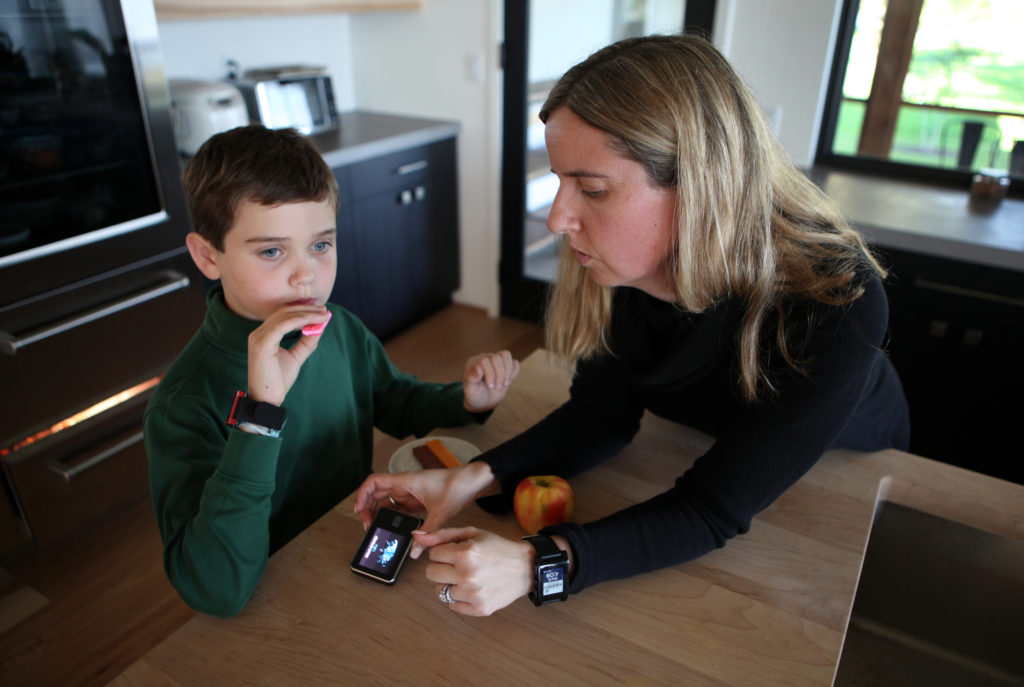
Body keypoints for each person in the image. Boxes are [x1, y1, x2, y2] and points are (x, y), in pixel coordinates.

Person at [353, 34, 910, 617]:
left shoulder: (836, 299)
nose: (557, 217)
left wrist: (537, 565)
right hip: (705, 432)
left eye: (591, 189)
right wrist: (468, 479)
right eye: (562, 181)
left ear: (699, 185)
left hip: (851, 457)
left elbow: (711, 508)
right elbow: (601, 415)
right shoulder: (623, 269)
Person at [144, 125, 520, 617]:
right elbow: (214, 589)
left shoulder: (338, 328)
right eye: (272, 251)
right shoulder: (182, 406)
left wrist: (465, 400)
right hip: (269, 602)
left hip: (348, 555)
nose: (306, 274)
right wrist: (261, 414)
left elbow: (395, 398)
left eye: (321, 245)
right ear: (207, 256)